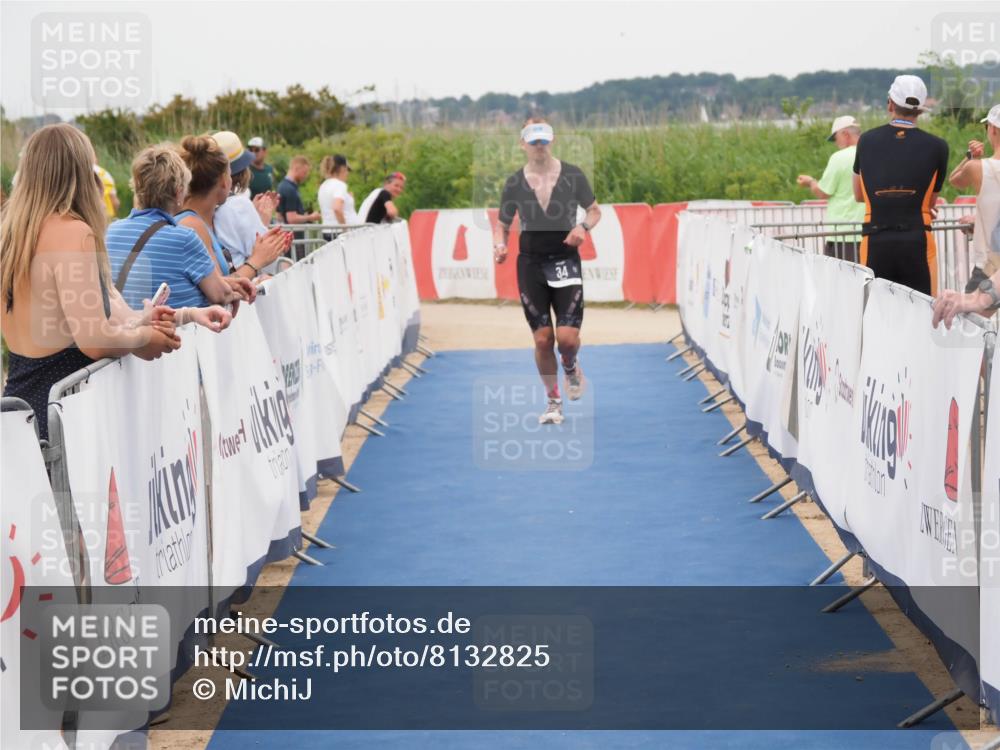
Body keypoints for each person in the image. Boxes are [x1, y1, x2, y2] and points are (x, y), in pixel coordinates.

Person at [1, 124, 180, 440]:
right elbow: (94, 340)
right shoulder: (72, 232)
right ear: (81, 173)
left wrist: (138, 322)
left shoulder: (11, 235)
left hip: (19, 411)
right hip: (64, 413)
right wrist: (143, 337)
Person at [493, 118, 601, 425]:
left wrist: (583, 227)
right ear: (522, 144)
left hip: (565, 259)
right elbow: (501, 226)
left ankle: (570, 364)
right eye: (533, 141)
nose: (539, 147)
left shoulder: (572, 175)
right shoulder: (515, 183)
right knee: (542, 340)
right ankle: (554, 401)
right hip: (531, 263)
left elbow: (595, 210)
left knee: (566, 339)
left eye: (544, 141)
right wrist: (499, 246)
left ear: (551, 141)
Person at [106, 143, 239, 324]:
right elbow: (219, 294)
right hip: (175, 341)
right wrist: (237, 290)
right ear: (178, 194)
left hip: (126, 341)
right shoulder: (184, 238)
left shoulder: (110, 232)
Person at [852, 75, 949, 296]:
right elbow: (930, 200)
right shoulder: (938, 146)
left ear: (890, 104)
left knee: (875, 313)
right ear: (921, 109)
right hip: (917, 240)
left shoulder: (866, 140)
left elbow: (859, 194)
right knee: (922, 313)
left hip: (875, 238)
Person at [176, 135, 270, 306]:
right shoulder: (192, 225)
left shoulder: (196, 219)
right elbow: (219, 291)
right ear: (223, 182)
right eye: (228, 174)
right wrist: (256, 261)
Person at [211, 130, 290, 279]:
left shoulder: (206, 204)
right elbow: (265, 257)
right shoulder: (238, 204)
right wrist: (263, 219)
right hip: (242, 285)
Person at [947, 103, 1000, 291]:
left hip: (989, 263)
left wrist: (970, 156)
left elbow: (954, 180)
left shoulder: (978, 168)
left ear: (992, 129)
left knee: (967, 318)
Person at [797, 115, 864, 261]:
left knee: (841, 280)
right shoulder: (873, 154)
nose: (836, 143)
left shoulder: (839, 158)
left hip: (842, 232)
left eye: (836, 138)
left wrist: (810, 182)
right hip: (867, 230)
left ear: (845, 134)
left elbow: (823, 192)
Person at [277, 155, 321, 225]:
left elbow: (279, 216)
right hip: (294, 234)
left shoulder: (281, 186)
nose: (305, 176)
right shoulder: (290, 189)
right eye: (304, 172)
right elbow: (291, 218)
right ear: (296, 168)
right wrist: (310, 217)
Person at [318, 154, 358, 227]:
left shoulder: (323, 186)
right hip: (340, 233)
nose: (347, 174)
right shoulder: (340, 185)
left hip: (328, 230)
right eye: (347, 170)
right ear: (342, 169)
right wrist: (344, 229)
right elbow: (337, 208)